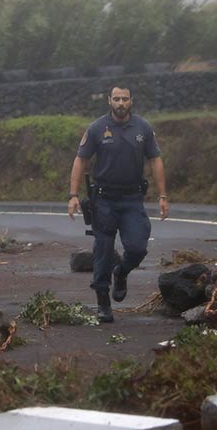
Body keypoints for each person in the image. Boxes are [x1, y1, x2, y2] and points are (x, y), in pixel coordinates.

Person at [67, 85, 169, 323]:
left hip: (132, 199)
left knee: (137, 247)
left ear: (131, 101)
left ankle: (121, 272)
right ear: (109, 101)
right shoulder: (97, 128)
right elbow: (81, 160)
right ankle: (103, 301)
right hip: (104, 200)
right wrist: (72, 195)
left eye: (124, 99)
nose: (120, 103)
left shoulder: (143, 128)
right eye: (116, 99)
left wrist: (163, 196)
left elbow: (155, 160)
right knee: (102, 250)